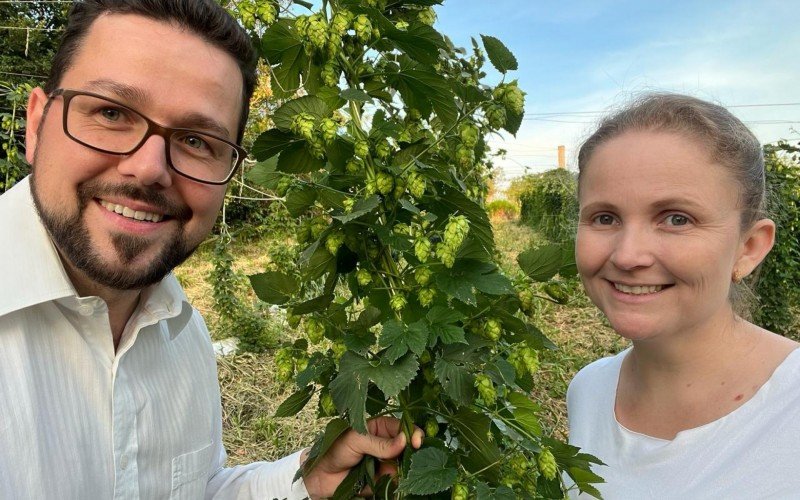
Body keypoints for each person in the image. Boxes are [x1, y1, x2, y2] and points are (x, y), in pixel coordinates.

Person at [0, 1, 421, 498]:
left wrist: (309, 484)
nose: (148, 167)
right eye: (111, 113)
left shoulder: (181, 331)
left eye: (197, 141)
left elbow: (194, 490)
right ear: (35, 125)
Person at [566, 93, 800, 498]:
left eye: (677, 218)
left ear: (749, 248)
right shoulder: (588, 390)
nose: (627, 255)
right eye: (605, 218)